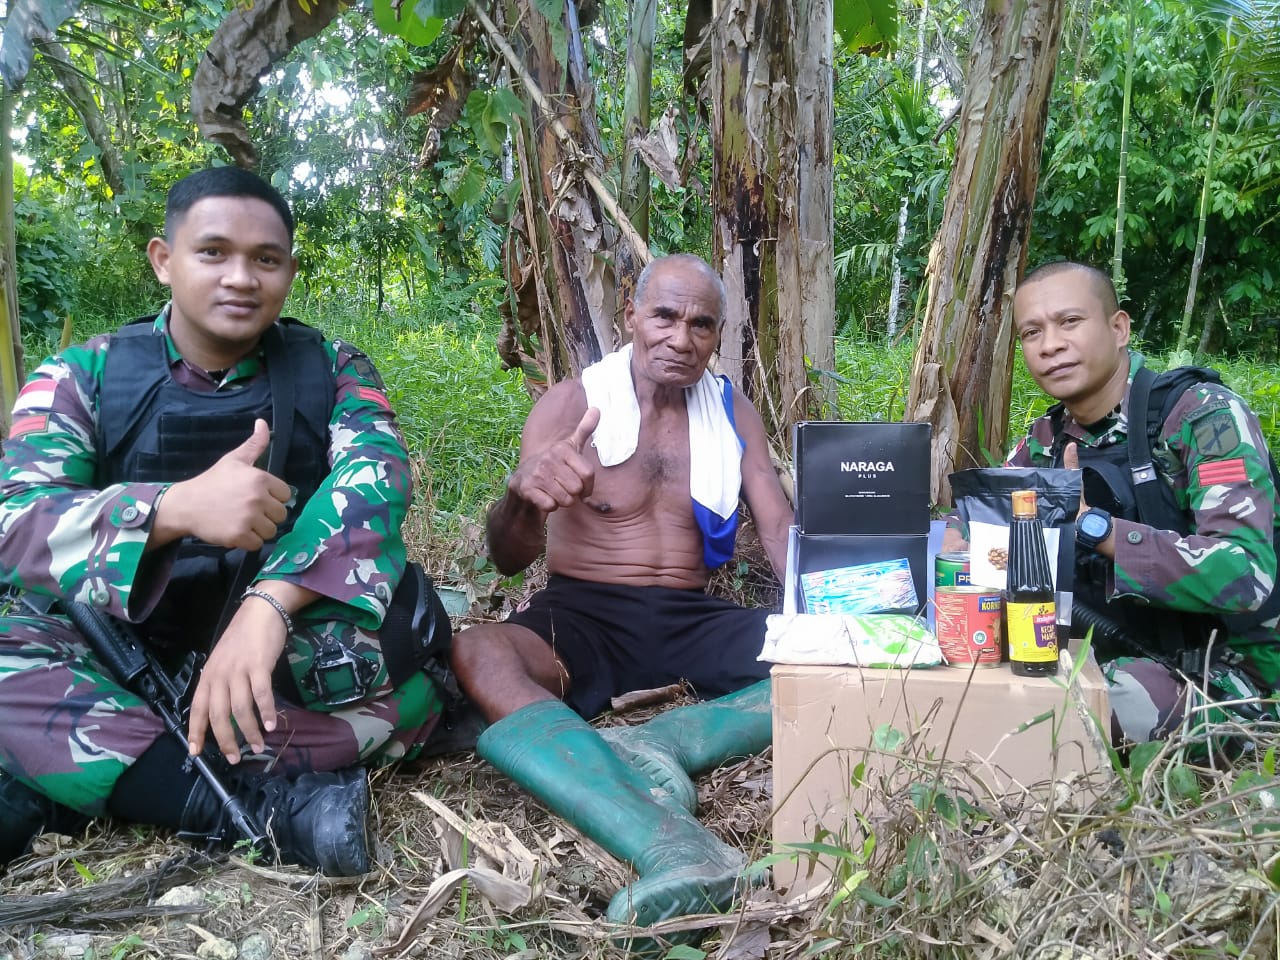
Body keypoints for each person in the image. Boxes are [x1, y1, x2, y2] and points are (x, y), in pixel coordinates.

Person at [0, 168, 451, 874]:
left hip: (284, 653)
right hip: (128, 650)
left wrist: (270, 603)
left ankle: (82, 777)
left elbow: (379, 476)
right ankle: (242, 810)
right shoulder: (81, 376)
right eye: (213, 252)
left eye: (265, 259)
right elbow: (17, 521)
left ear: (289, 272)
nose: (241, 277)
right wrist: (170, 509)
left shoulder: (330, 367)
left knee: (415, 685)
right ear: (163, 260)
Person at [450, 254, 792, 941]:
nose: (680, 337)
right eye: (664, 315)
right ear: (631, 318)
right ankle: (671, 844)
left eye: (701, 324)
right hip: (584, 615)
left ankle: (660, 739)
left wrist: (822, 623)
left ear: (717, 336)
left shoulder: (733, 412)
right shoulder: (573, 403)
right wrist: (523, 497)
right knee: (476, 649)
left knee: (838, 658)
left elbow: (779, 526)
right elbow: (509, 559)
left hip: (692, 615)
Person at [1005, 259, 1280, 747]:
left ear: (1119, 328)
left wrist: (1100, 530)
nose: (1050, 345)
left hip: (1227, 678)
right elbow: (986, 535)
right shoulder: (1045, 444)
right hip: (1106, 652)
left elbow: (1245, 572)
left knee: (1055, 716)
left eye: (1069, 322)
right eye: (1032, 332)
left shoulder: (1202, 417)